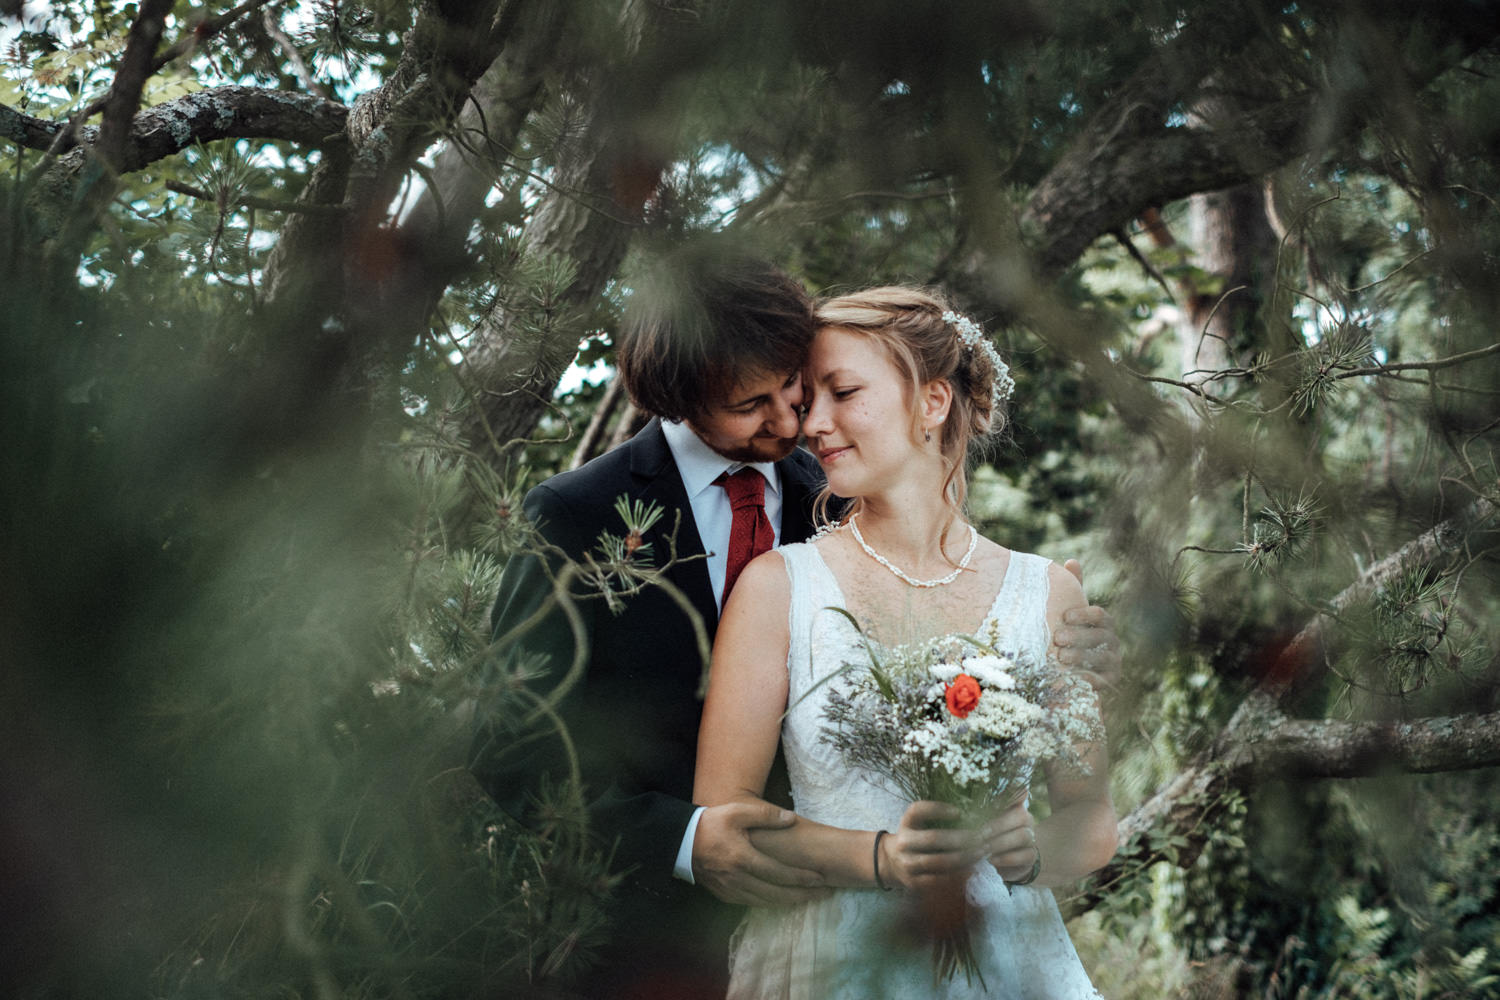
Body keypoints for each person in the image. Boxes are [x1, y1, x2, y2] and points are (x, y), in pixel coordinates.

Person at [471, 250, 1120, 998]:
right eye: (753, 405)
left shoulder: (838, 486)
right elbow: (510, 747)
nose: (793, 423)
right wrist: (687, 838)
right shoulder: (579, 516)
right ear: (683, 403)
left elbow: (945, 584)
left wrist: (1065, 649)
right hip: (649, 931)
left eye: (797, 388)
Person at [695, 286, 1117, 998]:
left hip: (1006, 962)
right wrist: (884, 859)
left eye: (843, 392)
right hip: (831, 960)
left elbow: (1092, 815)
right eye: (809, 400)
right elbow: (724, 824)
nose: (812, 424)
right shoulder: (779, 588)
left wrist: (1035, 850)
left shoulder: (1046, 594)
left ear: (932, 402)